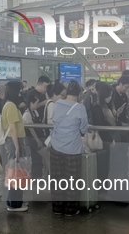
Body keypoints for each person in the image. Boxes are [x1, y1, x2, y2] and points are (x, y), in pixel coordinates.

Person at [49, 80, 88, 216]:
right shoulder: (80, 108)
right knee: (72, 180)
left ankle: (57, 208)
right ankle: (71, 210)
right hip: (72, 150)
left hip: (55, 147)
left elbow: (53, 121)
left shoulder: (57, 104)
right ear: (78, 94)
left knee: (57, 178)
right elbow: (83, 129)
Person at [0, 81, 29, 212]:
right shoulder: (11, 106)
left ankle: (15, 201)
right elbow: (12, 128)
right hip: (14, 142)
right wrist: (18, 147)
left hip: (12, 142)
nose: (20, 93)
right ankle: (14, 203)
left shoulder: (7, 104)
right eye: (19, 90)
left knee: (15, 171)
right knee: (16, 172)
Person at [22, 93, 44, 179]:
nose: (37, 105)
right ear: (31, 103)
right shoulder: (27, 114)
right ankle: (35, 176)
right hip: (31, 139)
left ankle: (38, 175)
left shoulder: (35, 112)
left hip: (36, 138)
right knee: (36, 158)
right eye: (36, 103)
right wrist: (38, 140)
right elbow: (31, 129)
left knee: (38, 158)